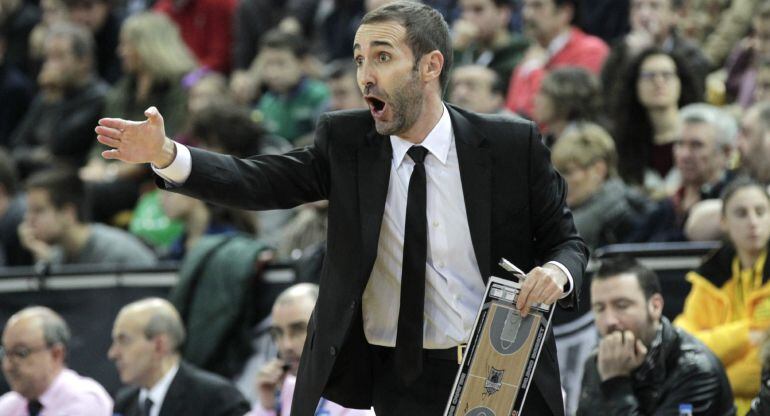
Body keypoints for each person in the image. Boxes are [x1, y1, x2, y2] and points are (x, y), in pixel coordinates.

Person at [95, 2, 588, 415]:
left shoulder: (507, 144)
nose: (365, 75)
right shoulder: (347, 141)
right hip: (393, 377)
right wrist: (166, 154)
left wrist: (555, 273)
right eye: (357, 60)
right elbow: (260, 180)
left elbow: (567, 241)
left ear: (430, 66)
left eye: (382, 57)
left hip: (494, 369)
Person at [578, 257, 735, 416]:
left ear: (655, 306)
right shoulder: (598, 361)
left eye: (621, 305)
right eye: (599, 309)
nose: (609, 320)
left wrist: (616, 383)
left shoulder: (695, 369)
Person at [675, 177, 770, 415]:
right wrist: (748, 333)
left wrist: (715, 376)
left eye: (760, 212)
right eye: (741, 213)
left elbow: (759, 370)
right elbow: (686, 349)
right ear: (724, 222)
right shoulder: (708, 278)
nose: (753, 222)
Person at [247, 283, 375, 416]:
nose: (286, 345)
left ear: (328, 329)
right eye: (278, 333)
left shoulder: (360, 400)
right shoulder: (284, 390)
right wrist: (266, 408)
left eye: (298, 329)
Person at [109, 297, 251, 416]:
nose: (112, 353)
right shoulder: (125, 403)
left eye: (124, 341)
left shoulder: (217, 400)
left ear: (159, 345)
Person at [9, 22, 108, 179]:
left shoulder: (98, 98)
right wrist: (38, 155)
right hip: (37, 174)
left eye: (59, 57)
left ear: (84, 61)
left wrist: (54, 99)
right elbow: (16, 145)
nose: (50, 65)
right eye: (48, 57)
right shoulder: (48, 94)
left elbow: (58, 144)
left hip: (70, 181)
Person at [631, 103, 737, 242]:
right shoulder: (665, 206)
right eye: (680, 144)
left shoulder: (736, 201)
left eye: (697, 145)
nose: (685, 154)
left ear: (726, 152)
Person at [17, 167, 157, 266]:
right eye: (29, 211)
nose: (29, 219)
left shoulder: (116, 255)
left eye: (38, 211)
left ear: (67, 213)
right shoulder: (58, 254)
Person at [611, 47, 702, 193]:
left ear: (680, 82)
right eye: (649, 76)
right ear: (635, 85)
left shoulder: (702, 136)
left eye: (666, 75)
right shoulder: (623, 146)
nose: (658, 82)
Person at [551, 122, 650, 250]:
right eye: (557, 173)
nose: (559, 181)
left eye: (568, 172)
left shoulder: (628, 216)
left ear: (598, 170)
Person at [0, 306, 113, 415]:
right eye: (5, 353)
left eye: (21, 353)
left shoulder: (85, 399)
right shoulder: (7, 406)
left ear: (56, 354)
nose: (8, 366)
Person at [505, 0, 609, 118]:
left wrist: (534, 71)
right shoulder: (531, 53)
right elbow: (511, 113)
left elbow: (563, 112)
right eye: (526, 6)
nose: (527, 14)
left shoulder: (590, 51)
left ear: (565, 12)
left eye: (538, 5)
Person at [601, 0, 710, 107]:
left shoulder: (690, 55)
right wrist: (631, 57)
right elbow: (609, 101)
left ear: (675, 15)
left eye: (654, 6)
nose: (644, 15)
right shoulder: (620, 52)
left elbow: (694, 101)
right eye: (637, 6)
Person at [451, 0, 529, 92]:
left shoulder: (520, 51)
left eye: (478, 10)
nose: (467, 17)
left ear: (503, 14)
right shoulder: (470, 51)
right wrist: (456, 50)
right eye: (463, 10)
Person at [448, 64, 515, 116]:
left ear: (496, 98)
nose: (460, 92)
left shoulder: (513, 129)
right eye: (455, 86)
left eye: (471, 86)